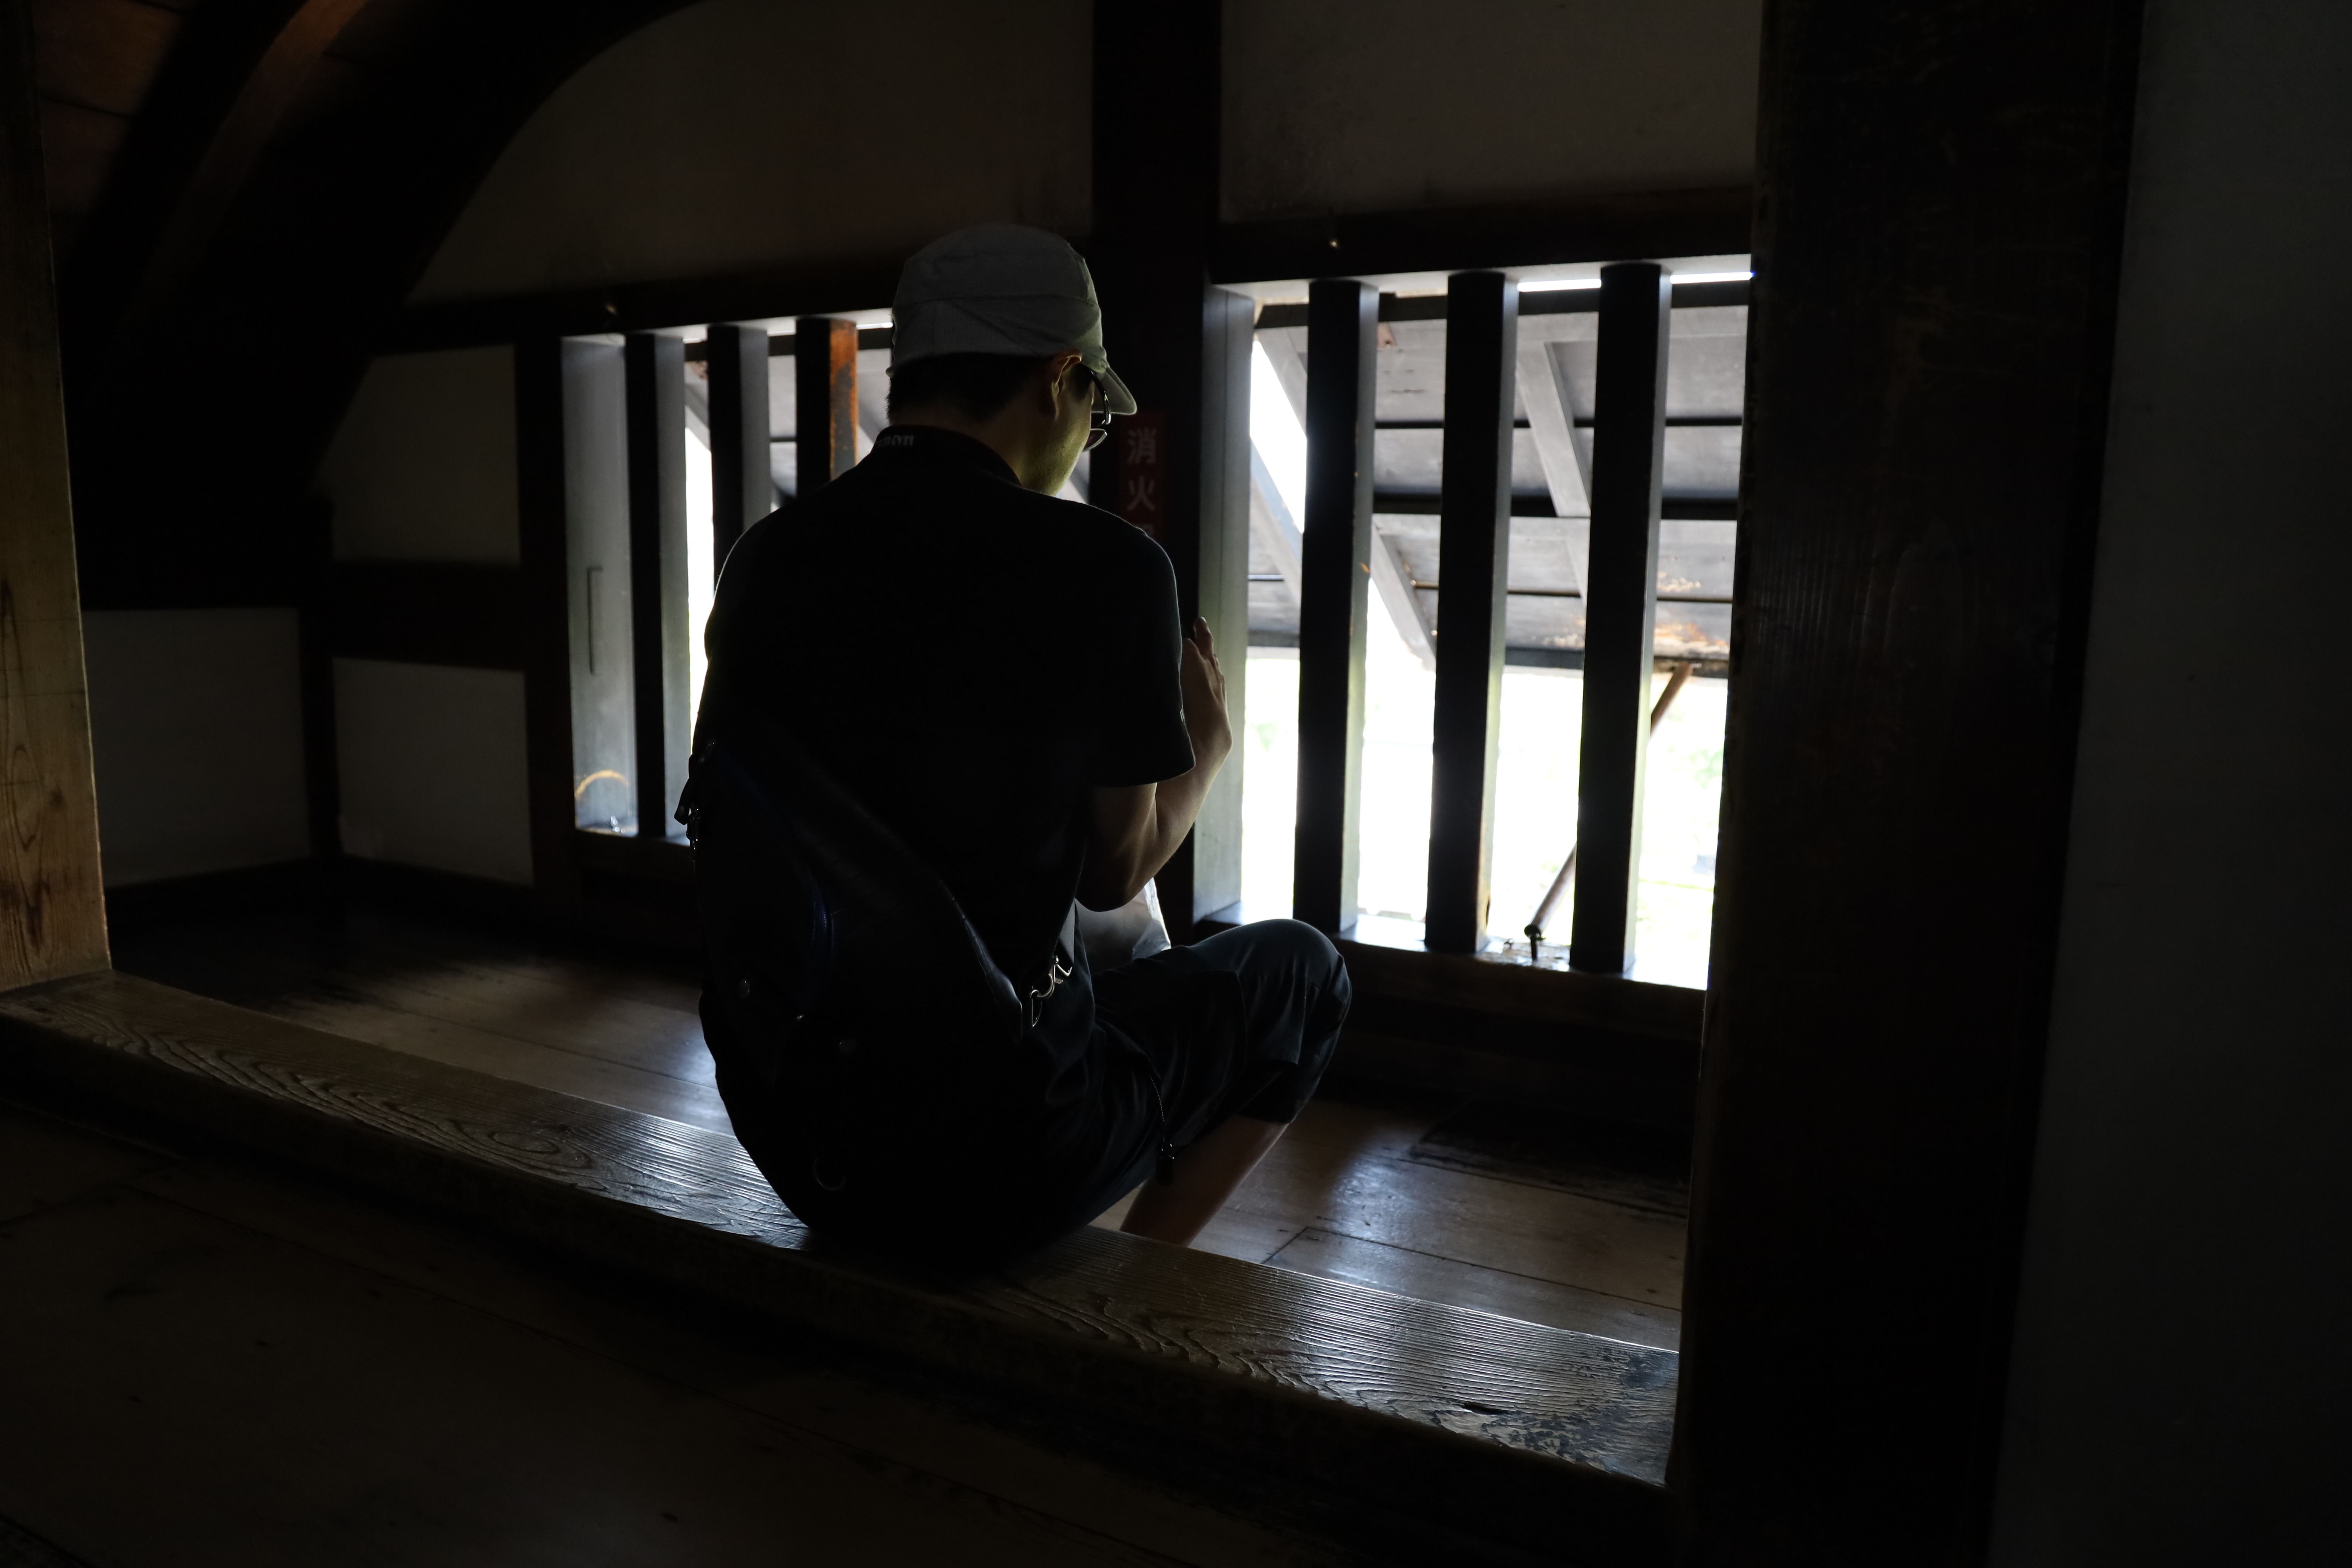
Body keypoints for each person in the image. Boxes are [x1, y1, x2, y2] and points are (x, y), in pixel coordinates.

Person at [692, 224, 1350, 1266]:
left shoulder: (767, 557)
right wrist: (1210, 747)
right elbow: (1115, 873)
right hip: (994, 1147)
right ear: (1058, 378)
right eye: (1095, 410)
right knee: (1303, 974)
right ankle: (1132, 1287)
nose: (1089, 437)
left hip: (795, 1121)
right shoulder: (1108, 569)